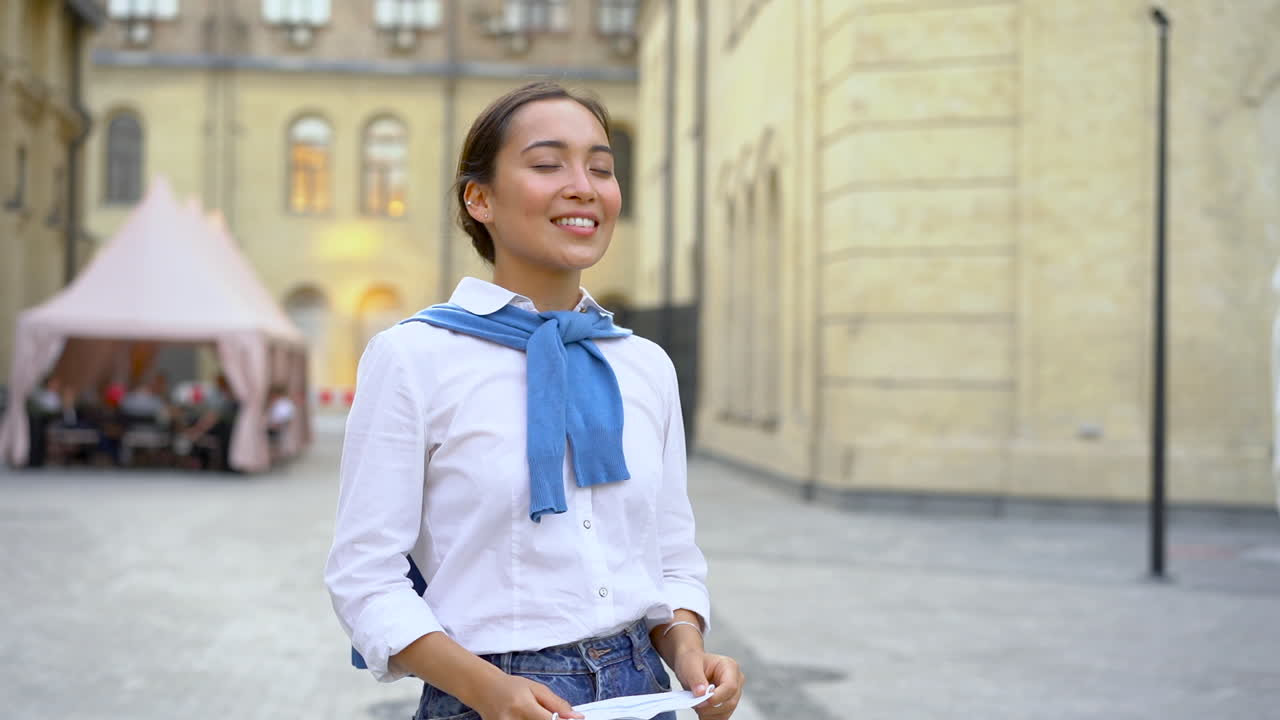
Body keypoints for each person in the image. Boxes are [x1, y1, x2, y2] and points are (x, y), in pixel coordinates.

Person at [325, 82, 745, 720]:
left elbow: (669, 554)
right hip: (488, 698)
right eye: (548, 164)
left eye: (601, 168)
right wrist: (485, 689)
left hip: (645, 694)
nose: (583, 187)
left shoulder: (644, 365)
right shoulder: (414, 358)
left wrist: (688, 648)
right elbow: (365, 577)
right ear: (480, 199)